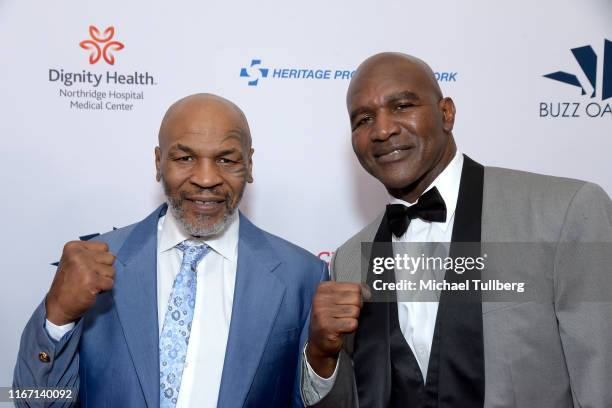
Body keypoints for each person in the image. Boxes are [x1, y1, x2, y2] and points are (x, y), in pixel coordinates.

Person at [301, 53, 612, 407]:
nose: (383, 129)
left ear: (446, 113)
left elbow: (602, 377)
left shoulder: (563, 211)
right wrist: (321, 357)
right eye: (364, 119)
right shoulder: (349, 260)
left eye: (402, 106)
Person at [14, 93, 326, 407]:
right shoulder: (94, 264)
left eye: (226, 159)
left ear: (248, 164)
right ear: (158, 162)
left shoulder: (302, 276)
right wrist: (58, 318)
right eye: (185, 158)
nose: (206, 179)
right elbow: (31, 401)